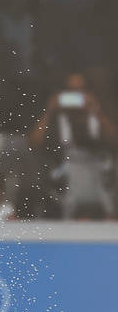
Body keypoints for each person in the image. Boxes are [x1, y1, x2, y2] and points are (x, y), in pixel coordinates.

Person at [27, 71, 118, 218]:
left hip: (99, 188)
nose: (76, 96)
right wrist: (49, 110)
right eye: (71, 91)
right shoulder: (56, 118)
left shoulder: (98, 115)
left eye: (80, 90)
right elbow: (33, 143)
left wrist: (97, 110)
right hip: (63, 186)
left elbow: (114, 138)